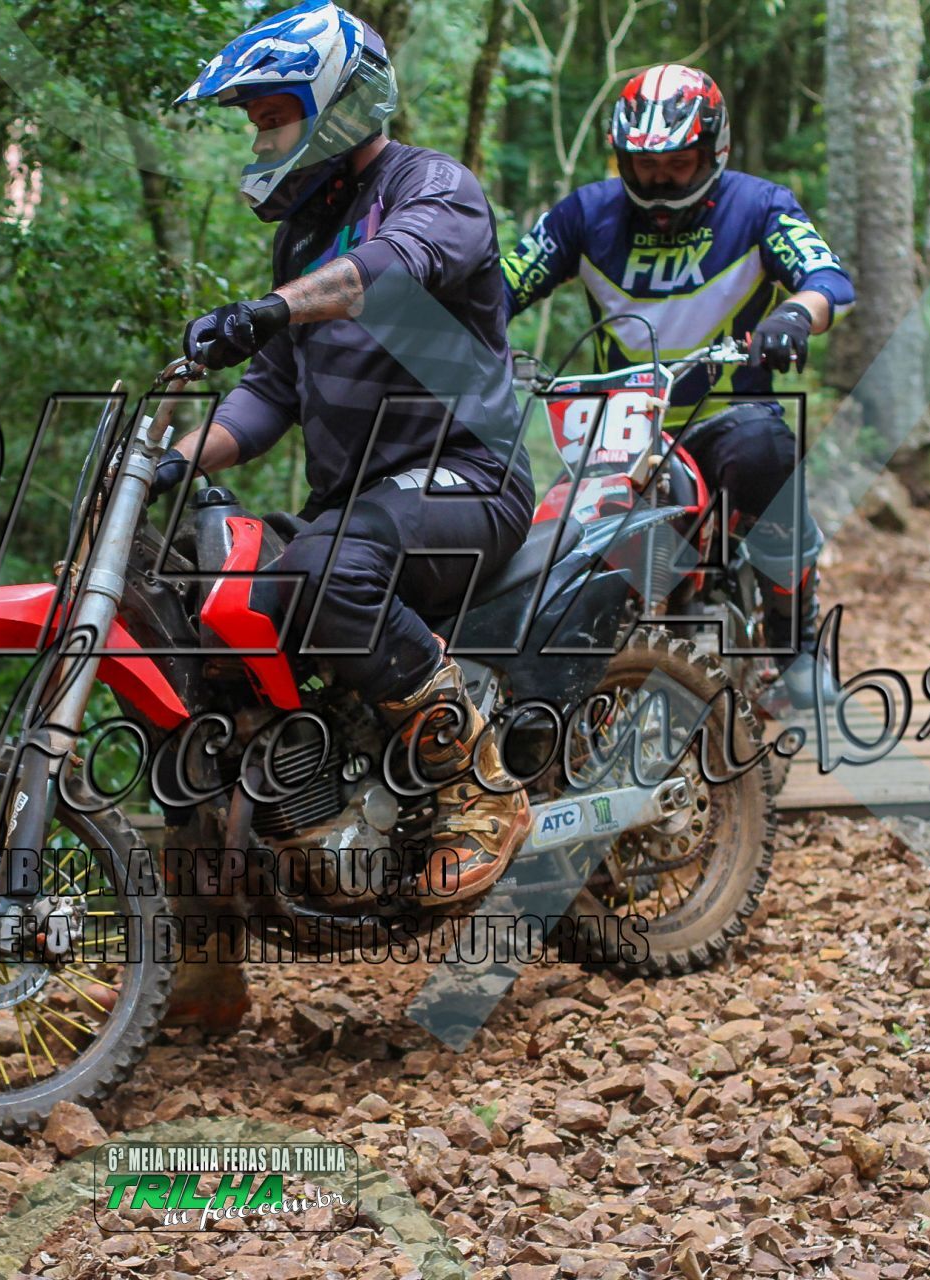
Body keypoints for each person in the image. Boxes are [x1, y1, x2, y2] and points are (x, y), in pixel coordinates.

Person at [161, 0, 537, 906]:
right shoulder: (302, 235)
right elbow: (270, 393)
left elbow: (391, 269)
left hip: (470, 478)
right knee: (206, 602)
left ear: (335, 105)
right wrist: (175, 462)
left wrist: (269, 309)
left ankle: (480, 791)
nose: (262, 141)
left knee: (322, 571)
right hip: (362, 506)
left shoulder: (433, 187)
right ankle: (219, 917)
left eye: (273, 117)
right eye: (255, 124)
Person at [501, 64, 854, 708]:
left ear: (714, 151)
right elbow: (502, 285)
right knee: (553, 524)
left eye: (678, 163)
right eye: (644, 164)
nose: (660, 179)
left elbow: (827, 279)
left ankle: (795, 641)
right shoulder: (585, 214)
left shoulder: (760, 206)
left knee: (766, 455)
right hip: (619, 422)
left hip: (728, 410)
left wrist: (796, 315)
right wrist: (466, 337)